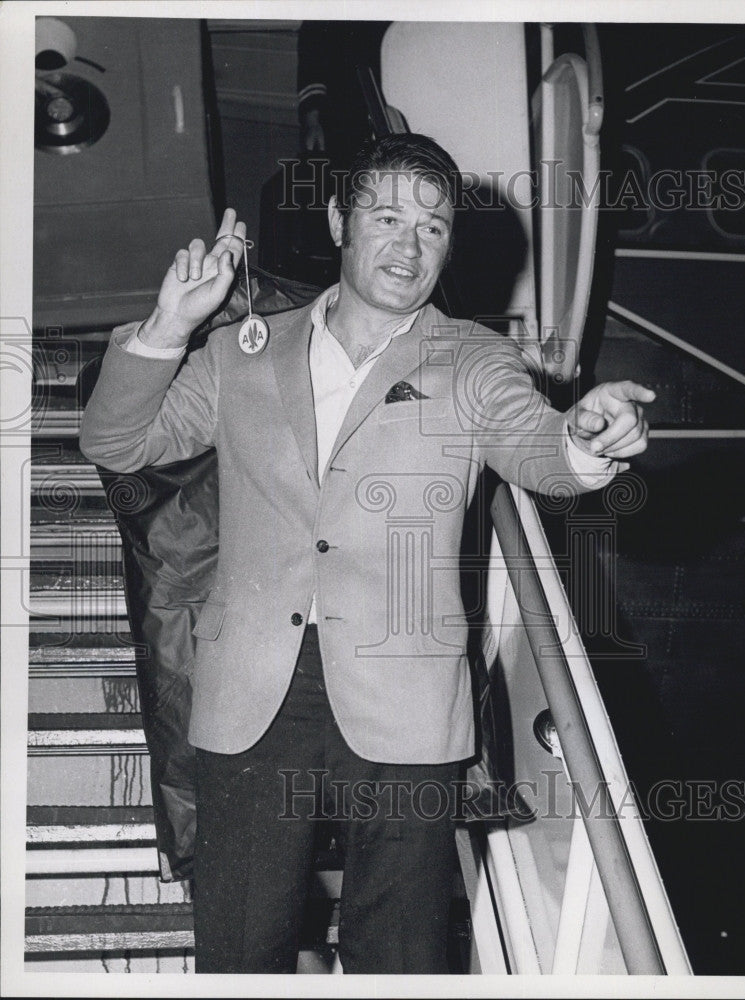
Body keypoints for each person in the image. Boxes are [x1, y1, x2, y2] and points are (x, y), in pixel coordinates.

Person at [79, 132, 654, 974]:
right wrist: (171, 324)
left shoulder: (474, 358)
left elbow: (537, 447)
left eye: (432, 226)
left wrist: (585, 438)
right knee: (240, 948)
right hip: (253, 692)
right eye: (386, 216)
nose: (409, 243)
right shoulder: (242, 353)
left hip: (406, 692)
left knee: (400, 953)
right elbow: (118, 440)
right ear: (339, 220)